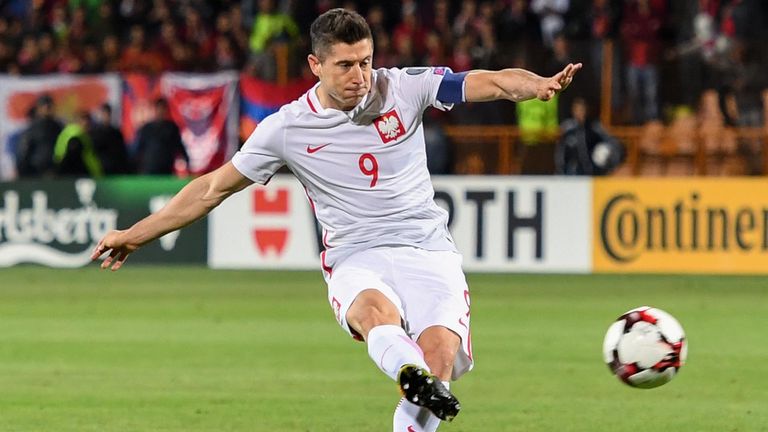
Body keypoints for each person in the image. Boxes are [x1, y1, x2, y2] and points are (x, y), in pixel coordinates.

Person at [91, 8, 581, 431]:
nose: (360, 76)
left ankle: (416, 374)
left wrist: (535, 85)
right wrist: (135, 235)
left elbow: (487, 81)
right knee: (374, 315)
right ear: (315, 65)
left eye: (365, 62)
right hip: (355, 255)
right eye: (345, 65)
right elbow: (211, 189)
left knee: (440, 358)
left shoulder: (403, 87)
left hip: (428, 250)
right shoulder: (285, 128)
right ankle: (410, 373)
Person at [556, 97, 624, 175]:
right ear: (573, 111)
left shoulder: (594, 128)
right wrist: (560, 170)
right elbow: (560, 151)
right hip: (571, 173)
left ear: (586, 111)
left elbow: (612, 142)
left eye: (582, 110)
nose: (580, 113)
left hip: (591, 173)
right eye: (577, 110)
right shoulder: (567, 129)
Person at [133, 98, 189, 175]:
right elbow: (139, 149)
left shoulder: (172, 128)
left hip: (166, 168)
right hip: (149, 168)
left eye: (163, 109)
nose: (160, 111)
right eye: (158, 109)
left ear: (166, 110)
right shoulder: (146, 128)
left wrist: (186, 159)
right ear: (154, 110)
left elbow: (179, 146)